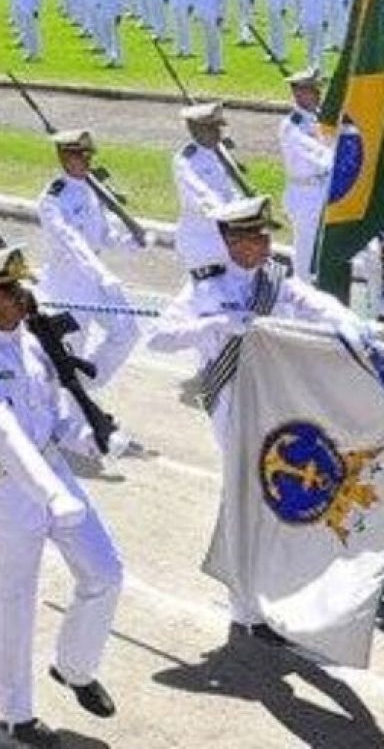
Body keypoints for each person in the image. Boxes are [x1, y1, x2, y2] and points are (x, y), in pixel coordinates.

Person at [148, 194, 371, 640]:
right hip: (231, 407)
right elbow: (159, 338)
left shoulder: (275, 279)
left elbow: (313, 303)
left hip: (272, 405)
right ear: (233, 240)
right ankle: (246, 611)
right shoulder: (204, 288)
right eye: (256, 235)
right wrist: (214, 325)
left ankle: (264, 601)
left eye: (267, 234)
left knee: (271, 500)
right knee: (247, 499)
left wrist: (352, 325)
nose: (266, 242)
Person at [0, 245, 122, 747]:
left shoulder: (36, 343)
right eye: (12, 289)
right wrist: (49, 491)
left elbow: (54, 418)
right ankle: (12, 717)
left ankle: (73, 666)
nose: (24, 295)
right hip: (7, 491)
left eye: (23, 286)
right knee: (14, 603)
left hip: (54, 471)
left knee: (105, 571)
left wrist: (95, 436)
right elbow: (1, 430)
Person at [36, 130, 143, 388]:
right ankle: (63, 417)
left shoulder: (92, 188)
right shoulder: (52, 200)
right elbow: (72, 242)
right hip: (68, 285)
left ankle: (87, 384)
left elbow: (104, 235)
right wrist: (102, 274)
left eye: (88, 155)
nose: (87, 161)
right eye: (80, 156)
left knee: (127, 331)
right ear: (64, 157)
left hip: (94, 279)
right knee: (69, 353)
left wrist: (132, 242)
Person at [172, 103, 241, 270]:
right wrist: (235, 214)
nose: (219, 132)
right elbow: (204, 196)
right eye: (212, 128)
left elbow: (231, 187)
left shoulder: (220, 152)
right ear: (196, 130)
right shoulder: (186, 161)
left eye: (219, 127)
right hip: (201, 239)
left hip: (226, 235)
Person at [279, 69, 332, 281]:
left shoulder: (319, 117)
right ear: (298, 93)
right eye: (311, 89)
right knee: (306, 252)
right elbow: (320, 156)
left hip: (323, 189)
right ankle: (302, 298)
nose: (318, 93)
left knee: (321, 250)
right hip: (305, 193)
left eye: (317, 88)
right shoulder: (292, 126)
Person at [194, 0, 227, 75]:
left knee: (216, 41)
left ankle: (217, 65)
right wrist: (197, 13)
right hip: (204, 14)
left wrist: (221, 15)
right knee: (206, 41)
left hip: (215, 14)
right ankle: (209, 64)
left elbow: (222, 0)